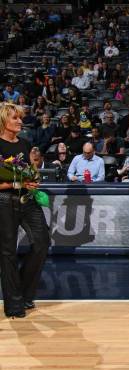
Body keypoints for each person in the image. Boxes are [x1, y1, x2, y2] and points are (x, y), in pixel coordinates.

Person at [0, 102, 50, 318]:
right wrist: (17, 184)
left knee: (41, 243)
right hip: (4, 200)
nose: (20, 121)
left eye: (20, 117)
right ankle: (14, 304)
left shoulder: (26, 143)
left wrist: (33, 179)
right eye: (15, 118)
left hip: (27, 200)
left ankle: (23, 292)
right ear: (3, 120)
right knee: (8, 253)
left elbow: (31, 171)